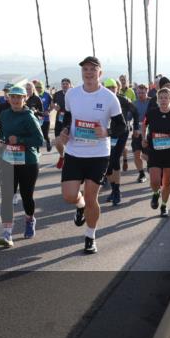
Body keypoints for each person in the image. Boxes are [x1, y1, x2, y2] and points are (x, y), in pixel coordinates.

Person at [56, 56, 127, 255]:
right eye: (85, 69)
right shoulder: (72, 94)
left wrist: (107, 132)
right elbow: (68, 117)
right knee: (69, 195)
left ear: (100, 73)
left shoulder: (109, 98)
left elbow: (122, 126)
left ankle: (90, 236)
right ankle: (80, 206)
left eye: (92, 69)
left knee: (91, 197)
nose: (88, 73)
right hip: (74, 152)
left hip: (98, 154)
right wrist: (65, 130)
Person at [0, 85, 45, 246]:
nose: (16, 100)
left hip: (28, 161)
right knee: (7, 196)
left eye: (19, 97)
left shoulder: (29, 117)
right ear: (8, 98)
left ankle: (30, 219)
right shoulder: (4, 114)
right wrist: (1, 141)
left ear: (25, 99)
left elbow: (39, 140)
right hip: (9, 159)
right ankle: (7, 232)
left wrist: (20, 140)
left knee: (26, 196)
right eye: (13, 97)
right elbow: (2, 132)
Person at [142, 88, 170, 216]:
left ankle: (164, 206)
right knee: (155, 181)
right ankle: (156, 193)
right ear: (157, 100)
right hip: (154, 151)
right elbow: (144, 124)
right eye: (160, 98)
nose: (163, 100)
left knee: (166, 182)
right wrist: (143, 137)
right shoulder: (151, 113)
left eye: (166, 97)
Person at [102, 78, 136, 206]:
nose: (111, 90)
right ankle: (114, 189)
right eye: (108, 88)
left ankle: (116, 191)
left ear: (118, 88)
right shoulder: (101, 100)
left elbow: (135, 112)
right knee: (107, 164)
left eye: (113, 87)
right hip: (107, 134)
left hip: (121, 133)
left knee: (114, 159)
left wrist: (136, 127)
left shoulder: (123, 99)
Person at [131, 83, 150, 182]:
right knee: (136, 154)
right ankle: (141, 174)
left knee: (147, 156)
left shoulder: (152, 102)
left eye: (143, 93)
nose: (140, 95)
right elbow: (128, 118)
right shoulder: (134, 104)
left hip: (149, 132)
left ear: (147, 92)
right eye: (138, 93)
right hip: (137, 132)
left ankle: (151, 166)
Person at [53, 77, 72, 170]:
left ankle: (70, 160)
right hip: (59, 120)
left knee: (69, 142)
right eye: (63, 84)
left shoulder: (74, 94)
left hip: (70, 120)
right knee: (57, 141)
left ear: (70, 85)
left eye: (66, 84)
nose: (64, 85)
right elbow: (53, 103)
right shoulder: (57, 94)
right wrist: (55, 106)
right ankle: (62, 156)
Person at [34, 79, 53, 151]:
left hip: (45, 118)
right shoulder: (34, 96)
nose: (38, 89)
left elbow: (52, 105)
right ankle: (37, 150)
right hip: (36, 118)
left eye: (39, 87)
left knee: (45, 135)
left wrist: (48, 111)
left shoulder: (47, 95)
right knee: (37, 135)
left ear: (42, 87)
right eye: (36, 87)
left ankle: (48, 142)